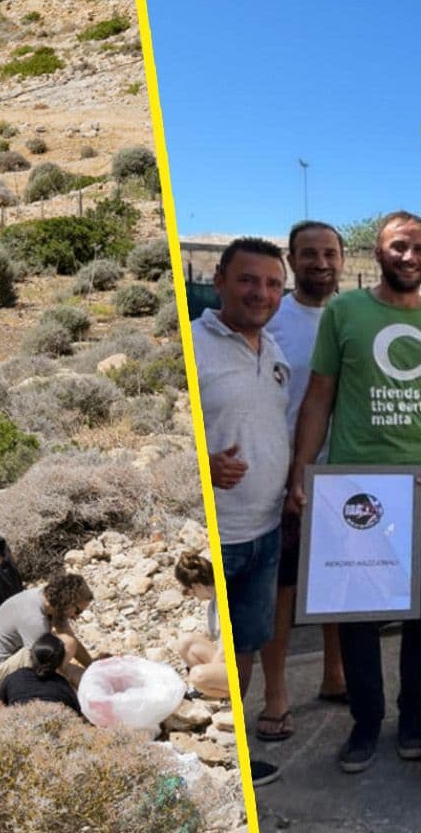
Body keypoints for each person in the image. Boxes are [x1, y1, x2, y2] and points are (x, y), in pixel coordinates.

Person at [290, 210, 421, 773]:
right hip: (356, 489)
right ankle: (366, 722)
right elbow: (319, 397)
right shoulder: (345, 312)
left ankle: (413, 716)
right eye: (398, 246)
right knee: (358, 613)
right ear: (377, 253)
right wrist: (302, 470)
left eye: (419, 247)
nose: (409, 256)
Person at [191, 235, 291, 776]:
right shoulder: (195, 343)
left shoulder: (271, 349)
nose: (262, 293)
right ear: (219, 281)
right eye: (249, 280)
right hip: (221, 537)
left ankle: (236, 752)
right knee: (223, 649)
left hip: (266, 531)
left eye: (273, 284)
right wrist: (205, 465)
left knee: (246, 648)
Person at [261, 220, 349, 717]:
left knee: (337, 582)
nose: (321, 263)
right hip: (281, 473)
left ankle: (334, 676)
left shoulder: (354, 316)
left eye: (330, 254)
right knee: (283, 588)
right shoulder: (272, 316)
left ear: (342, 259)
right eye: (309, 254)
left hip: (344, 474)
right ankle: (275, 694)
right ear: (292, 261)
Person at [0, 574, 96, 694]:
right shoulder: (34, 618)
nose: (77, 617)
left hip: (18, 658)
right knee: (66, 645)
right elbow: (43, 661)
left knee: (84, 676)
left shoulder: (54, 603)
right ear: (68, 602)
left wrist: (92, 666)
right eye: (78, 611)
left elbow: (72, 641)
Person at [170, 552, 230, 700]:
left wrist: (206, 671)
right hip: (226, 665)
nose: (191, 594)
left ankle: (221, 691)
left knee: (197, 676)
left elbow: (225, 650)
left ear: (196, 585)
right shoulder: (213, 605)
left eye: (189, 590)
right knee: (186, 641)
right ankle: (212, 686)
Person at [0, 632, 82, 715]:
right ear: (60, 663)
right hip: (55, 724)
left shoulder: (13, 678)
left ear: (31, 656)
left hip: (17, 724)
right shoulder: (63, 685)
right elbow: (77, 714)